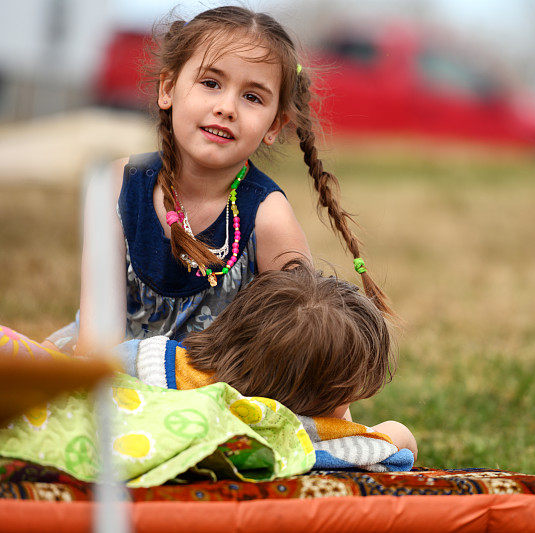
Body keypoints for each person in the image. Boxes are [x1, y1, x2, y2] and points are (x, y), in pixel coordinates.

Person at [44, 6, 391, 355]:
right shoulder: (116, 185)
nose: (227, 107)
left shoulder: (268, 218)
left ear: (274, 126)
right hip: (111, 366)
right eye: (211, 83)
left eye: (252, 97)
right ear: (168, 88)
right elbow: (95, 334)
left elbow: (306, 340)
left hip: (209, 388)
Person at [116, 260, 417, 459]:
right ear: (311, 398)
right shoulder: (288, 428)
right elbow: (378, 448)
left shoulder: (155, 359)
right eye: (347, 395)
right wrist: (398, 433)